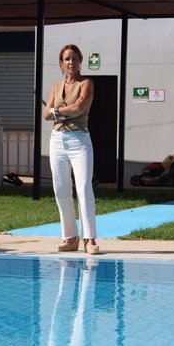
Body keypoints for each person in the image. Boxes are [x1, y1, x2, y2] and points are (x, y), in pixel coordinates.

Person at [43, 44, 99, 255]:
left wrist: (56, 111)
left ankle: (90, 239)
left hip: (79, 140)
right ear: (61, 63)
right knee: (61, 189)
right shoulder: (56, 86)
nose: (71, 62)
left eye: (74, 58)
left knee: (84, 188)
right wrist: (58, 112)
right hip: (57, 140)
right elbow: (44, 113)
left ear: (80, 61)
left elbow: (79, 108)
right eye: (67, 59)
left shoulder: (86, 83)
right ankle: (70, 236)